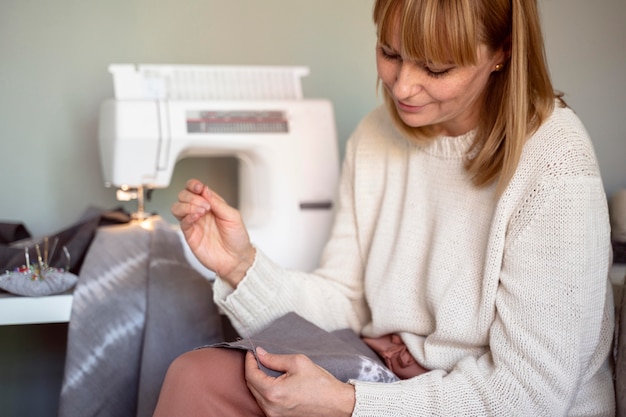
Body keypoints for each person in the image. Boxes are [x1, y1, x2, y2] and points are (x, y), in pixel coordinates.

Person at [153, 0, 615, 415]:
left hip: (489, 403)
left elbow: (528, 395)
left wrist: (349, 403)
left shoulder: (555, 162)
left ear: (503, 51)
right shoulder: (375, 136)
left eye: (436, 69)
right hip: (383, 376)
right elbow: (347, 304)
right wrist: (241, 267)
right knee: (195, 378)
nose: (403, 87)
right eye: (391, 54)